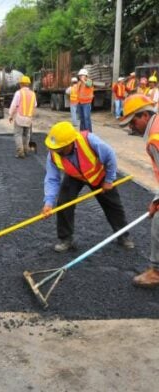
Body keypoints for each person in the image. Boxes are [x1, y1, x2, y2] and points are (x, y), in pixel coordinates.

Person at [42, 121, 134, 252]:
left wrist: (109, 180)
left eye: (60, 149)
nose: (56, 151)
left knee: (113, 205)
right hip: (74, 175)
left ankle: (123, 235)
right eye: (55, 148)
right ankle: (66, 239)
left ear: (70, 143)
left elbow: (110, 156)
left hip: (98, 174)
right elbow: (51, 178)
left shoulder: (89, 140)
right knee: (64, 203)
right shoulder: (53, 153)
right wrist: (48, 202)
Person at [119, 94, 159, 286]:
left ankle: (156, 272)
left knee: (158, 221)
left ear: (144, 115)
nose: (131, 126)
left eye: (132, 121)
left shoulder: (155, 139)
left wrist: (157, 202)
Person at [8, 75, 37, 158]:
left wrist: (11, 115)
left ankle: (20, 152)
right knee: (26, 134)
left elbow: (14, 105)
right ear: (28, 84)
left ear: (21, 84)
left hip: (20, 117)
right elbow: (35, 105)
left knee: (18, 134)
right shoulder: (33, 94)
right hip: (29, 118)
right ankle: (26, 150)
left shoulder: (18, 93)